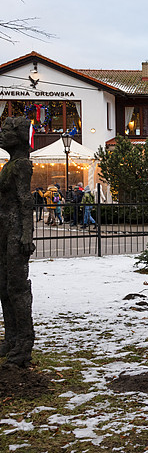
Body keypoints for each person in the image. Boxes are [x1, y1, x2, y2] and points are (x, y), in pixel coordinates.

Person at [0, 116, 37, 367]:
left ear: (19, 136)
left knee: (16, 288)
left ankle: (24, 343)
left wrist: (26, 235)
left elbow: (26, 202)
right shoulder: (9, 165)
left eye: (6, 131)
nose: (1, 134)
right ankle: (11, 337)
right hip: (4, 231)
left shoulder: (22, 165)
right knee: (3, 287)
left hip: (14, 233)